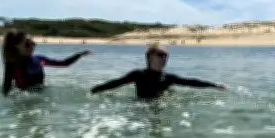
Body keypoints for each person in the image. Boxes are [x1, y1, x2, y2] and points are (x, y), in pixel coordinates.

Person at [90, 43, 227, 99]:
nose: (164, 58)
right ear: (149, 57)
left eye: (166, 55)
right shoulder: (138, 75)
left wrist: (214, 85)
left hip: (162, 105)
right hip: (141, 107)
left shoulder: (168, 77)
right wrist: (95, 90)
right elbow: (116, 83)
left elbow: (190, 82)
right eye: (160, 55)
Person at [1, 30, 91, 95]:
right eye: (27, 44)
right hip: (23, 98)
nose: (32, 46)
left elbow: (63, 63)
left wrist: (79, 54)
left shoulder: (40, 59)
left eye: (33, 43)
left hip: (41, 96)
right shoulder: (12, 64)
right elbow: (6, 89)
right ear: (16, 46)